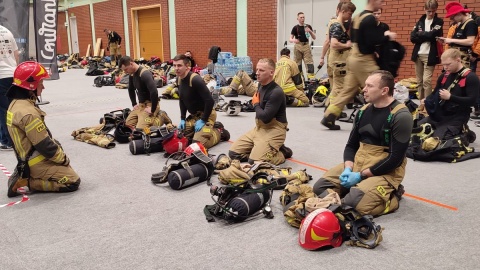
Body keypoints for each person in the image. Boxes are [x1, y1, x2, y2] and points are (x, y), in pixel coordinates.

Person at [313, 70, 413, 216]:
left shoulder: (401, 116)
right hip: (360, 161)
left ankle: (393, 196)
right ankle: (355, 192)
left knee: (353, 207)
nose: (364, 89)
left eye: (369, 86)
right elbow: (351, 145)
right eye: (365, 85)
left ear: (384, 90)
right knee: (319, 188)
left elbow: (395, 159)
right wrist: (348, 168)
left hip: (385, 170)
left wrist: (360, 175)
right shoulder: (363, 111)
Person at [6, 62, 81, 197]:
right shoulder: (28, 112)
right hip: (36, 160)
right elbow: (44, 144)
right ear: (31, 86)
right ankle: (28, 182)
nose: (43, 87)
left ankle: (26, 172)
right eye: (41, 82)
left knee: (57, 148)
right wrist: (63, 159)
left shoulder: (16, 104)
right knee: (72, 180)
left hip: (27, 156)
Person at [321, 0, 397, 130]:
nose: (382, 4)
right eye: (381, 1)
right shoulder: (370, 19)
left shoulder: (358, 17)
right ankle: (395, 118)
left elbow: (357, 38)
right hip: (364, 60)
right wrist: (387, 36)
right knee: (382, 87)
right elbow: (373, 41)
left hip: (353, 58)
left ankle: (329, 116)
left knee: (347, 91)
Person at [229, 58, 292, 165]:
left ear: (271, 72)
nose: (257, 73)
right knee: (234, 154)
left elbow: (265, 117)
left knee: (255, 162)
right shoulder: (260, 85)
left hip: (274, 130)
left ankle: (281, 152)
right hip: (259, 128)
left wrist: (256, 104)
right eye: (257, 69)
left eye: (261, 70)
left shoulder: (276, 92)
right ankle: (263, 149)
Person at [173, 54, 229, 149]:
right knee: (180, 136)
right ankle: (202, 131)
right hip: (194, 116)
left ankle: (219, 131)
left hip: (207, 114)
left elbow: (210, 101)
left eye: (179, 65)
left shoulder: (195, 79)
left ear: (187, 66)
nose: (176, 68)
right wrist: (182, 118)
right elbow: (182, 99)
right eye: (174, 65)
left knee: (197, 144)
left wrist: (203, 119)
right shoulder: (179, 79)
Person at [421, 48, 479, 140]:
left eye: (448, 64)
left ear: (458, 60)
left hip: (458, 115)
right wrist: (427, 99)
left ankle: (464, 133)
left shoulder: (471, 77)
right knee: (418, 129)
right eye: (444, 65)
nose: (445, 68)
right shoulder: (444, 76)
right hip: (442, 113)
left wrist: (450, 97)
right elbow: (435, 92)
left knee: (439, 139)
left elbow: (472, 101)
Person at [119, 56, 171, 130]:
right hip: (141, 105)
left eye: (126, 69)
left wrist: (152, 109)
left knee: (141, 130)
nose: (125, 72)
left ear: (131, 64)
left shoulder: (144, 74)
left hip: (150, 105)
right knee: (128, 126)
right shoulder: (132, 74)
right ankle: (143, 120)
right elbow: (130, 89)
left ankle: (161, 116)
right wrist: (134, 104)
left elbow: (154, 92)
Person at [410, 0, 444, 101]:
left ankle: (428, 104)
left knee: (426, 81)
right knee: (419, 81)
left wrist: (420, 34)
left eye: (433, 11)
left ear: (436, 10)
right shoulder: (420, 21)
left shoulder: (439, 21)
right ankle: (421, 103)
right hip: (418, 55)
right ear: (424, 9)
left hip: (430, 55)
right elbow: (412, 38)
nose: (431, 13)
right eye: (428, 11)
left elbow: (433, 35)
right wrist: (427, 35)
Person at [325, 2, 356, 107]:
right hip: (338, 61)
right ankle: (332, 112)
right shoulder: (337, 25)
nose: (350, 16)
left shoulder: (340, 25)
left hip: (340, 60)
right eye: (350, 14)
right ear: (343, 12)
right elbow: (333, 44)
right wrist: (346, 45)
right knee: (338, 87)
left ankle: (329, 107)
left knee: (337, 87)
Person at [437, 2, 478, 69]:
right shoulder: (460, 24)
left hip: (463, 58)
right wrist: (446, 40)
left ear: (459, 14)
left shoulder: (470, 24)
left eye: (452, 17)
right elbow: (458, 40)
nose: (452, 20)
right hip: (456, 56)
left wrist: (451, 40)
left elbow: (470, 41)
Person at [0, 25, 18, 151]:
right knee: (11, 107)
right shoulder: (7, 30)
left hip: (1, 75)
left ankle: (8, 140)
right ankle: (6, 138)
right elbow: (16, 55)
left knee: (3, 110)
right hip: (12, 73)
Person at [290, 12, 317, 79]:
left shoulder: (308, 26)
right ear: (298, 18)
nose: (302, 18)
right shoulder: (295, 28)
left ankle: (311, 80)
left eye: (303, 17)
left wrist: (310, 31)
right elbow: (290, 39)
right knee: (297, 64)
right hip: (298, 46)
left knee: (309, 63)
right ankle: (300, 80)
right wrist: (294, 40)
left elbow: (314, 37)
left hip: (306, 46)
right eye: (301, 17)